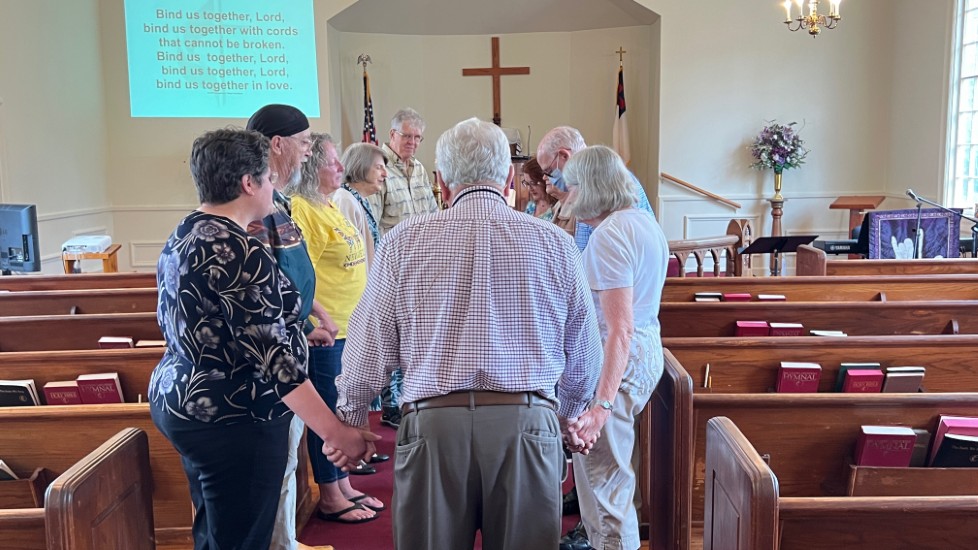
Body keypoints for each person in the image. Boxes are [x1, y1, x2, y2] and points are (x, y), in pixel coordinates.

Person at [334, 117, 604, 550]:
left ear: (441, 182)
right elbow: (584, 352)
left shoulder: (403, 241)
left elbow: (369, 343)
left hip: (433, 428)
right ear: (509, 179)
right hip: (526, 425)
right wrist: (568, 418)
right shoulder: (555, 243)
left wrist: (349, 420)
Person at [149, 128, 375, 550]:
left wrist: (302, 325)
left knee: (217, 531)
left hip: (184, 399)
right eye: (268, 178)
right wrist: (334, 432)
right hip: (234, 414)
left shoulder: (188, 230)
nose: (273, 186)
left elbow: (225, 318)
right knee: (243, 539)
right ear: (248, 184)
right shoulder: (239, 249)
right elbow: (275, 362)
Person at [563, 145, 669, 550]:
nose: (569, 196)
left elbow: (618, 329)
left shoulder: (610, 235)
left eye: (572, 186)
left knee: (606, 488)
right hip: (643, 355)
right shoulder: (642, 221)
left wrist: (601, 406)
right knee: (613, 481)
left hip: (617, 369)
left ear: (591, 187)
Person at [246, 104, 340, 550]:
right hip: (273, 358)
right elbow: (259, 295)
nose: (307, 152)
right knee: (274, 464)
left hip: (292, 341)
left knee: (287, 460)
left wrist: (311, 316)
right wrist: (298, 327)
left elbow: (289, 276)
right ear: (277, 144)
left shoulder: (278, 202)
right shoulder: (254, 209)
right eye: (303, 143)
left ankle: (284, 540)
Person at [285, 133, 386, 523]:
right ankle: (329, 494)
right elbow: (299, 275)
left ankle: (343, 484)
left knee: (341, 410)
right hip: (327, 330)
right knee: (327, 410)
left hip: (349, 326)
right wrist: (312, 321)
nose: (342, 167)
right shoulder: (302, 209)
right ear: (313, 169)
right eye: (332, 161)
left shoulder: (328, 203)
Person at [366, 107, 439, 429]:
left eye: (418, 138)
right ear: (392, 135)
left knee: (415, 335)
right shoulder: (378, 167)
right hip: (392, 266)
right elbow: (371, 222)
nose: (412, 142)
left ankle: (412, 397)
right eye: (407, 136)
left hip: (422, 266)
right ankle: (390, 405)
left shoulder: (419, 169)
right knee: (390, 336)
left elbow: (433, 213)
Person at [536, 126, 653, 251]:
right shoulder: (589, 179)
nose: (546, 177)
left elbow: (609, 247)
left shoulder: (602, 179)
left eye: (549, 171)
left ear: (564, 155)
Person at [334, 142, 388, 270]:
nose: (385, 174)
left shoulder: (358, 198)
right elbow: (349, 255)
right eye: (379, 167)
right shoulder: (345, 200)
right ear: (361, 167)